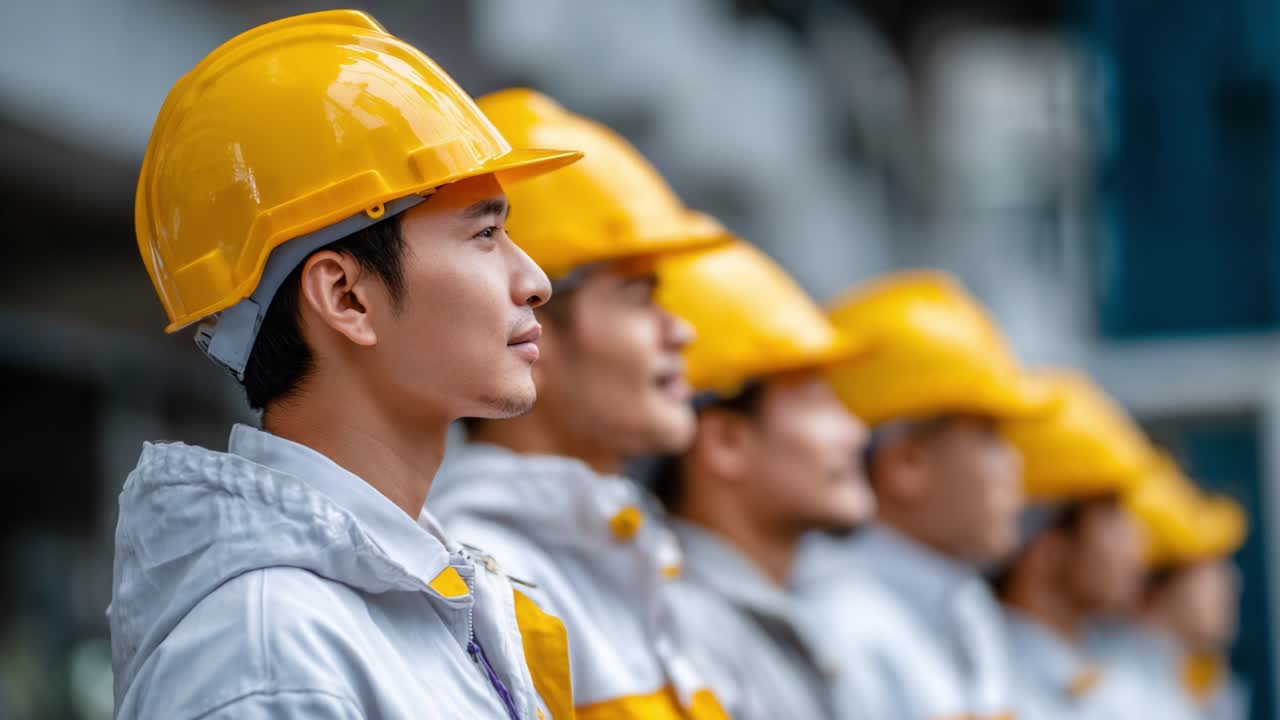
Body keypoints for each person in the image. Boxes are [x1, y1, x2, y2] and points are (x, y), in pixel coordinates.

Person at [111, 11, 584, 718]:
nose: (536, 279)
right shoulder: (269, 655)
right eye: (485, 233)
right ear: (345, 295)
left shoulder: (414, 601)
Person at [428, 89, 730, 719]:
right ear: (532, 321)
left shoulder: (625, 559)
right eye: (637, 296)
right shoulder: (488, 578)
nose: (681, 332)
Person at [795, 270, 1053, 720]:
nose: (1016, 465)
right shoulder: (841, 628)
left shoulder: (966, 607)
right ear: (906, 464)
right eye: (989, 436)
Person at [647, 240, 874, 720]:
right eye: (816, 402)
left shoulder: (772, 614)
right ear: (726, 442)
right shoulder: (685, 629)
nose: (855, 432)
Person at [995, 371, 1153, 719]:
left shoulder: (1092, 681)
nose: (1138, 540)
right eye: (1111, 513)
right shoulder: (994, 688)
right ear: (1046, 546)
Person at [1094, 462, 1249, 720]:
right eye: (1209, 563)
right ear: (1152, 586)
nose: (1230, 580)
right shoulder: (1122, 695)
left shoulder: (1194, 684)